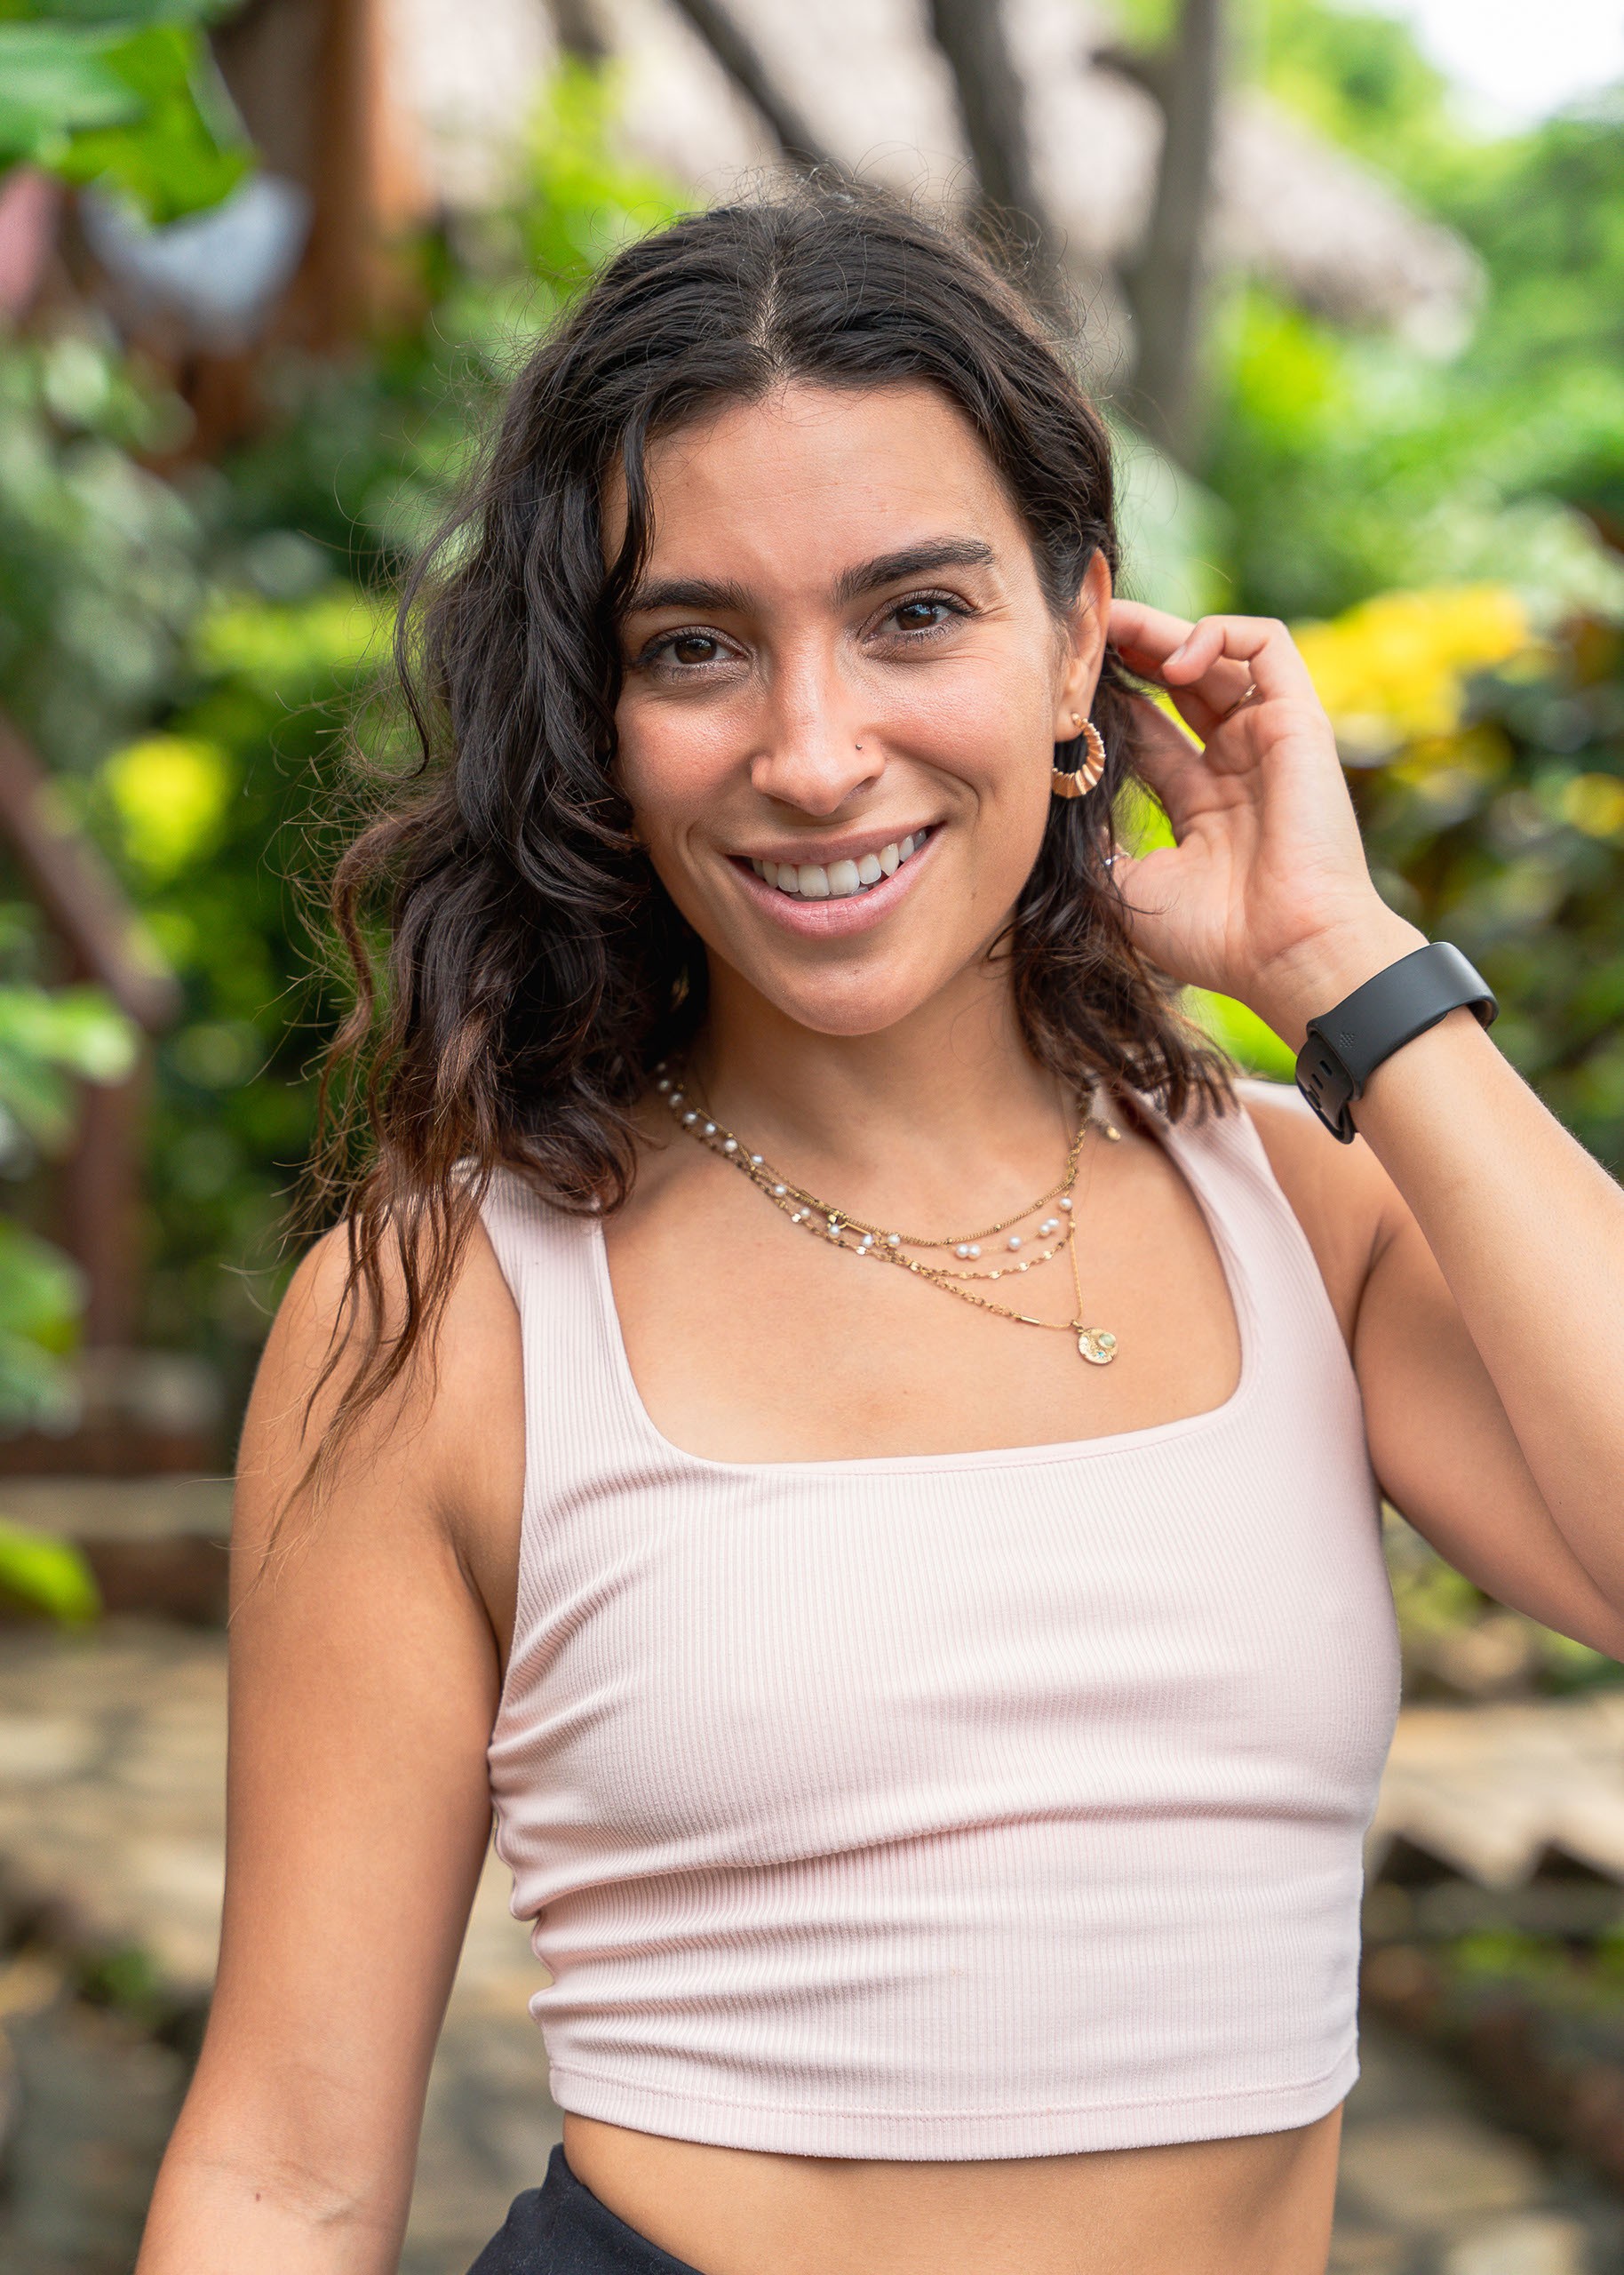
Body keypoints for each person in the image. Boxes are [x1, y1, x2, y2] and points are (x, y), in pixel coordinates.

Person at [137, 185, 1624, 2275]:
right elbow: (283, 2170)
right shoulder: (451, 1308)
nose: (813, 753)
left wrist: (1335, 964)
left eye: (915, 613)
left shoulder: (1302, 1201)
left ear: (1075, 638)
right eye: (695, 647)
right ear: (600, 712)